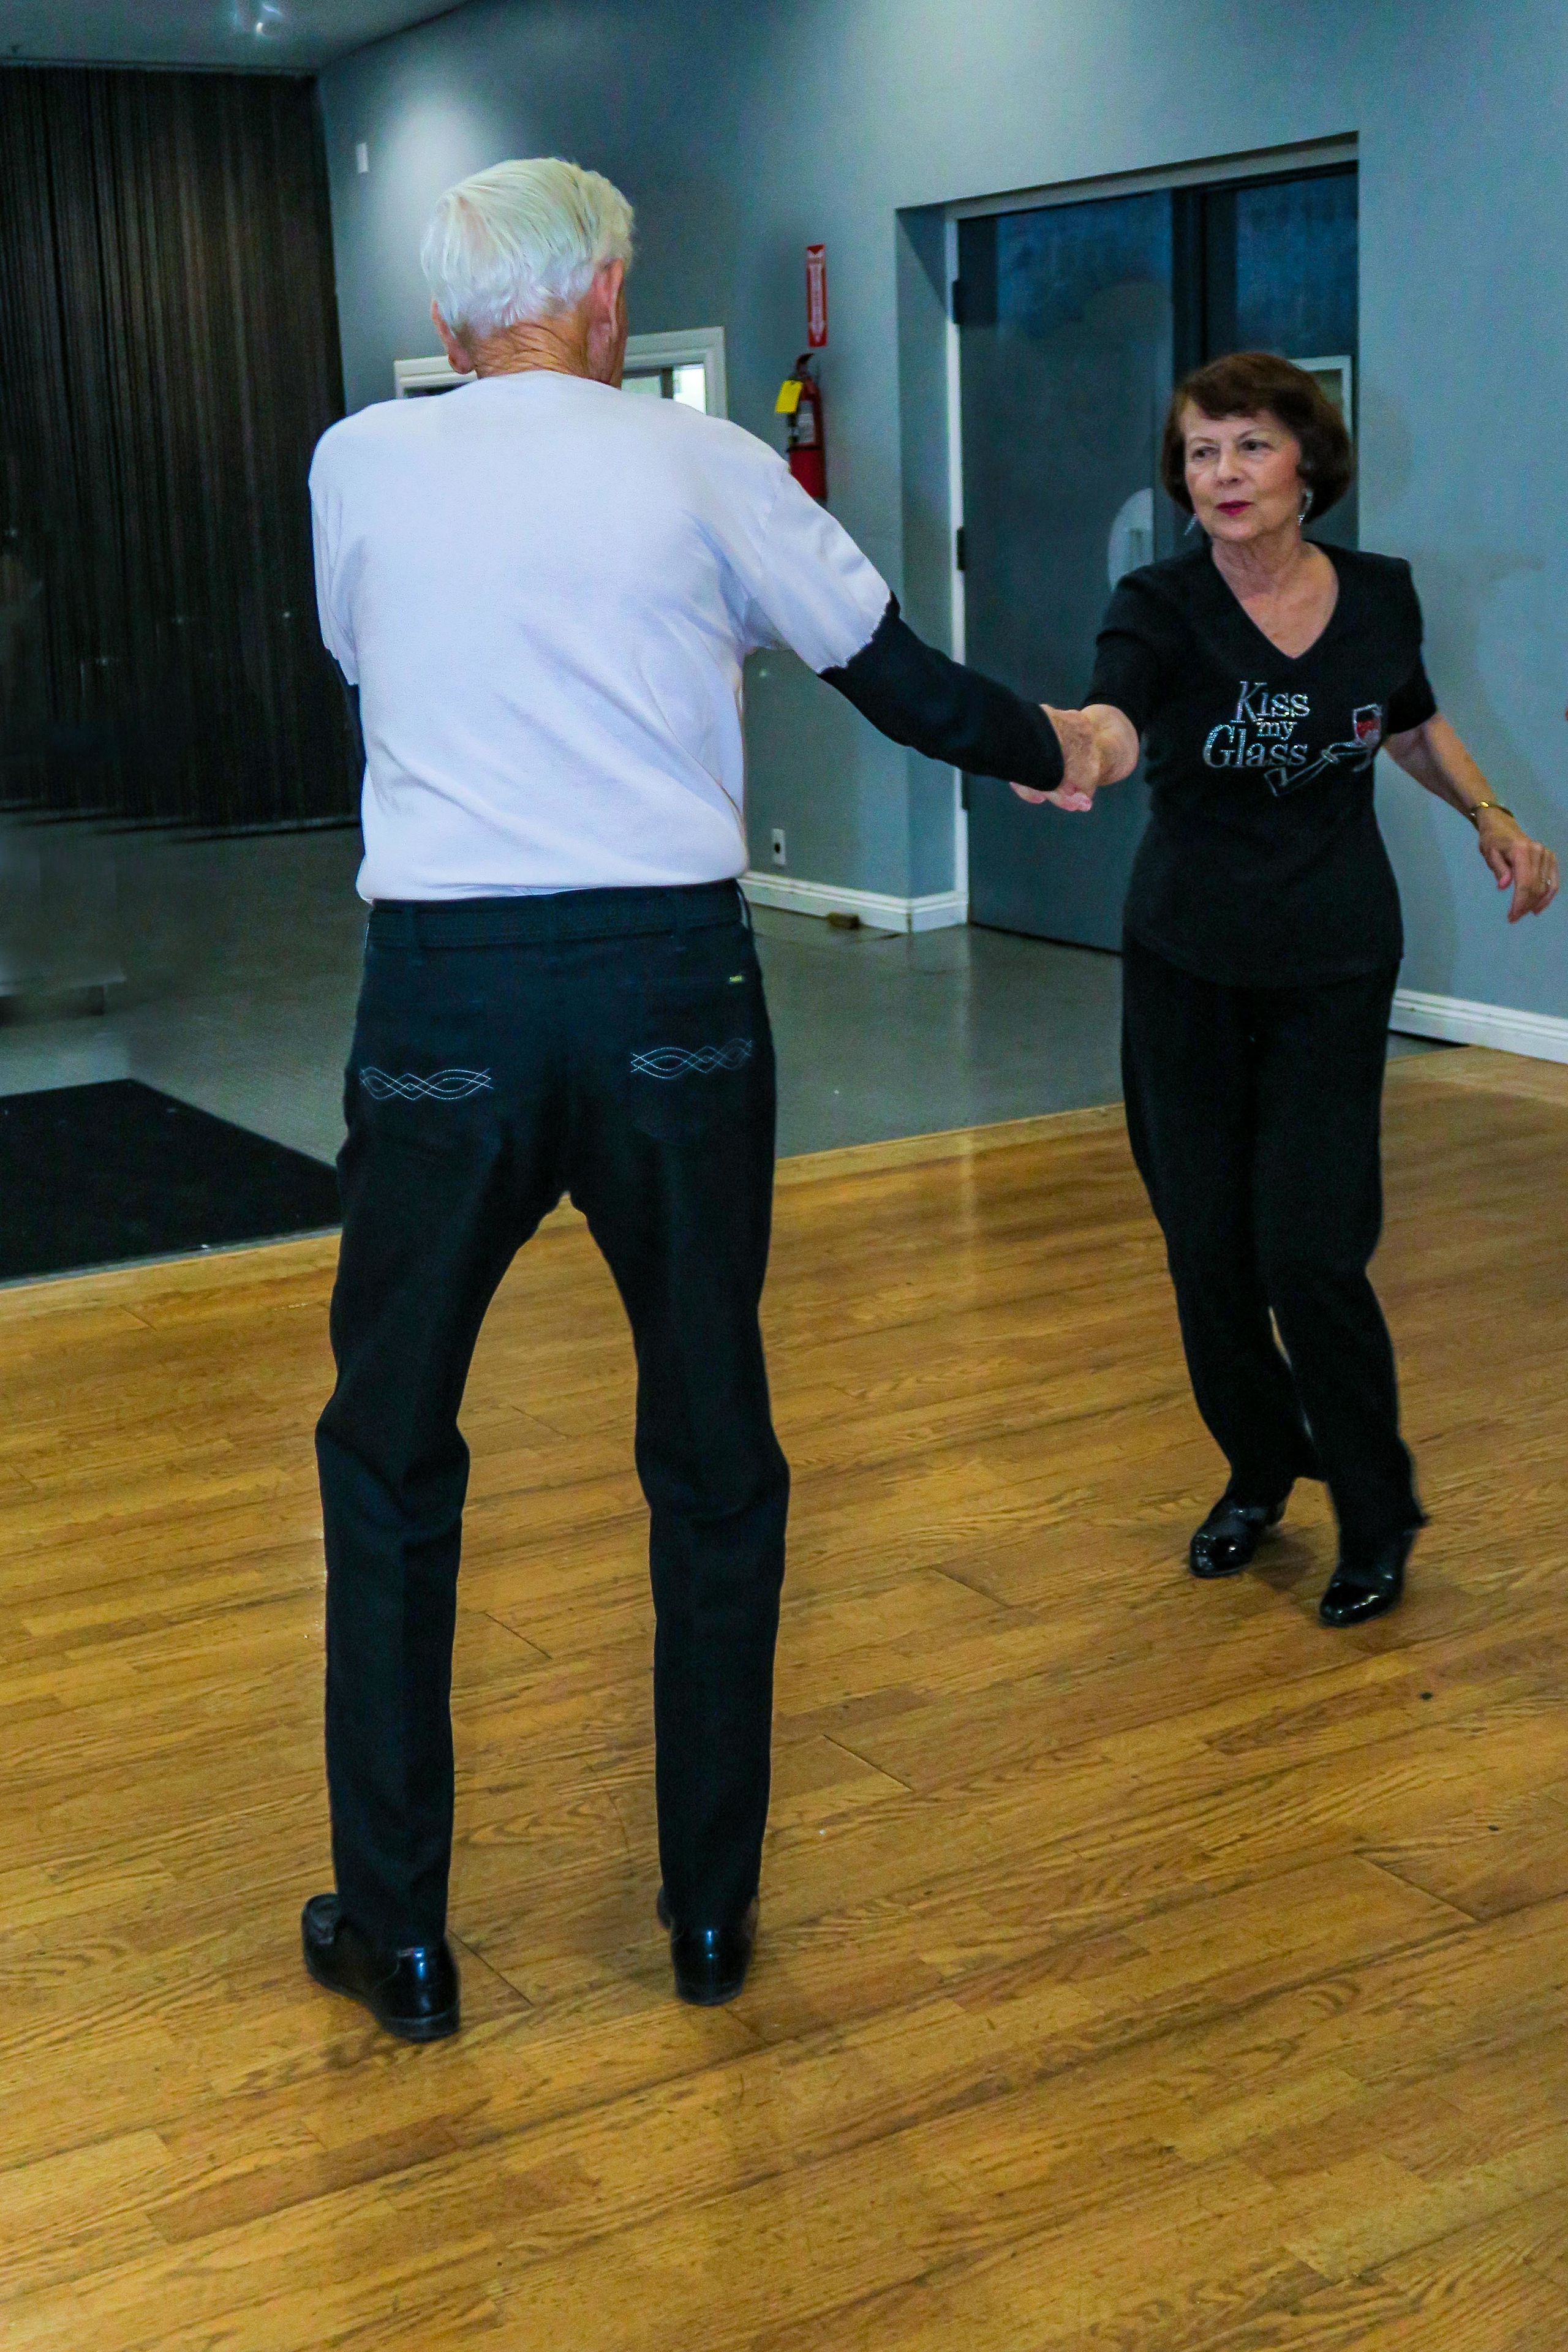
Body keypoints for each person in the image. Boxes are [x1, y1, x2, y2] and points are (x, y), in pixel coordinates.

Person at [303, 157, 1087, 2041]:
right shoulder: (711, 461)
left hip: (445, 1001)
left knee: (390, 1454)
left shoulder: (357, 463)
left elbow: (364, 657)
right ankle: (710, 1921)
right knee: (713, 1447)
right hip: (671, 992)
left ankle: (403, 1940)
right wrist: (1058, 744)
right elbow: (895, 677)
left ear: (450, 319)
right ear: (603, 301)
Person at [1017, 350, 1558, 1630]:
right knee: (1207, 1253)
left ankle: (1375, 1512)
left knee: (1310, 1253)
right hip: (1187, 966)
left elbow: (1408, 720)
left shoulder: (1377, 595)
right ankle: (1261, 1468)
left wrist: (1488, 812)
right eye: (1201, 452)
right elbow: (1115, 717)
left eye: (1250, 445)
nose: (1223, 473)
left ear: (1307, 464)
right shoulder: (1156, 604)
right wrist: (1075, 748)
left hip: (1331, 962)